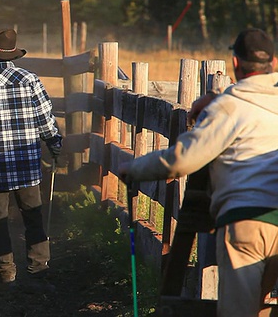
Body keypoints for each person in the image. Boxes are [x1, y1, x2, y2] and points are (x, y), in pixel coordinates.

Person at [118, 28, 278, 317]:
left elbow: (182, 160)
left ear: (235, 63)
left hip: (246, 221)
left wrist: (135, 169)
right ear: (274, 63)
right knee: (261, 308)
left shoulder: (230, 108)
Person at [0, 28, 62, 293]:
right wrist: (55, 145)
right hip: (26, 162)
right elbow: (45, 119)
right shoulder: (30, 79)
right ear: (14, 54)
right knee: (33, 217)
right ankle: (38, 272)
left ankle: (6, 274)